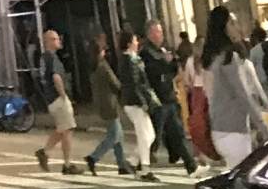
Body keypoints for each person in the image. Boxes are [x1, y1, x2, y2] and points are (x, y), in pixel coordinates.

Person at [202, 7, 268, 170]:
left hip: (220, 128)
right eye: (232, 23)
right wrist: (263, 126)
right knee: (243, 176)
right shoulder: (229, 58)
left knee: (237, 173)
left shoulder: (214, 58)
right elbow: (243, 94)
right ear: (223, 27)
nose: (236, 27)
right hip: (234, 130)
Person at [139, 22, 198, 176]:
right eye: (157, 32)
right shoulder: (146, 53)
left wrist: (172, 62)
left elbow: (171, 70)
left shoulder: (163, 50)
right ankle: (140, 163)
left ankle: (191, 166)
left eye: (161, 31)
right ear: (150, 34)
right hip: (158, 100)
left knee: (177, 133)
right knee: (154, 137)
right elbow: (152, 74)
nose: (160, 35)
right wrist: (165, 62)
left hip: (169, 97)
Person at [30, 29, 78, 176]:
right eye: (56, 39)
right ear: (49, 41)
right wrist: (63, 95)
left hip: (50, 99)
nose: (59, 41)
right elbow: (56, 78)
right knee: (68, 130)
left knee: (62, 129)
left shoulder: (44, 58)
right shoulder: (52, 58)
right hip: (58, 98)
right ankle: (67, 164)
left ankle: (44, 152)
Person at [82, 38, 131, 178]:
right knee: (114, 135)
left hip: (102, 104)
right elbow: (115, 83)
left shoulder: (93, 67)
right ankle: (94, 157)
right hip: (110, 104)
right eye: (103, 50)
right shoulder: (103, 66)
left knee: (118, 135)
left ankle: (122, 164)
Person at [113, 32, 156, 180]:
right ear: (129, 43)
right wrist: (143, 102)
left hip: (132, 101)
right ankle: (145, 168)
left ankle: (132, 162)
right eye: (135, 41)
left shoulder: (130, 59)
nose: (137, 43)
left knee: (150, 135)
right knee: (144, 135)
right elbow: (135, 84)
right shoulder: (129, 61)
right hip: (134, 102)